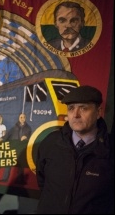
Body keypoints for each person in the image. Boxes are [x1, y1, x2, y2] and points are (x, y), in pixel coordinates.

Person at [36, 85, 114, 214]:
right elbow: (43, 182)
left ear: (98, 112)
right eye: (71, 108)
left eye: (83, 108)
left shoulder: (110, 147)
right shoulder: (51, 142)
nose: (76, 115)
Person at [0, 113, 32, 183]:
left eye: (23, 117)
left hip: (21, 148)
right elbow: (7, 135)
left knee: (20, 164)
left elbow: (30, 136)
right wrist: (2, 138)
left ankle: (20, 180)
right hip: (13, 148)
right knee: (8, 163)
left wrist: (26, 137)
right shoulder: (14, 127)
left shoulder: (28, 128)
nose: (22, 118)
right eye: (21, 117)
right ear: (19, 118)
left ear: (25, 118)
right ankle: (5, 178)